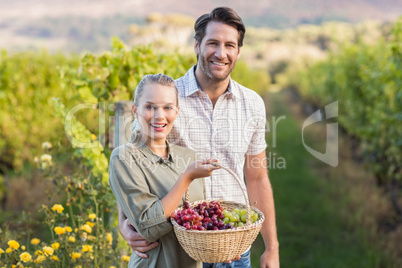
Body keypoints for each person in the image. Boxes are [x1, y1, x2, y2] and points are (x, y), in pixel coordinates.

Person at [118, 7, 280, 268]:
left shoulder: (252, 104)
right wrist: (124, 222)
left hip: (235, 250)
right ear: (197, 45)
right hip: (180, 247)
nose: (221, 53)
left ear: (238, 51)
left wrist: (272, 248)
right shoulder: (169, 98)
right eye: (212, 43)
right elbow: (133, 161)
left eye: (230, 45)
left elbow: (257, 176)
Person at [109, 73, 221, 267]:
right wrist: (186, 177)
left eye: (167, 107)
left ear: (176, 111)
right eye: (150, 107)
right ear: (135, 110)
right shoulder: (124, 157)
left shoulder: (189, 157)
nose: (159, 115)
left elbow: (199, 223)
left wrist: (218, 249)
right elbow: (149, 228)